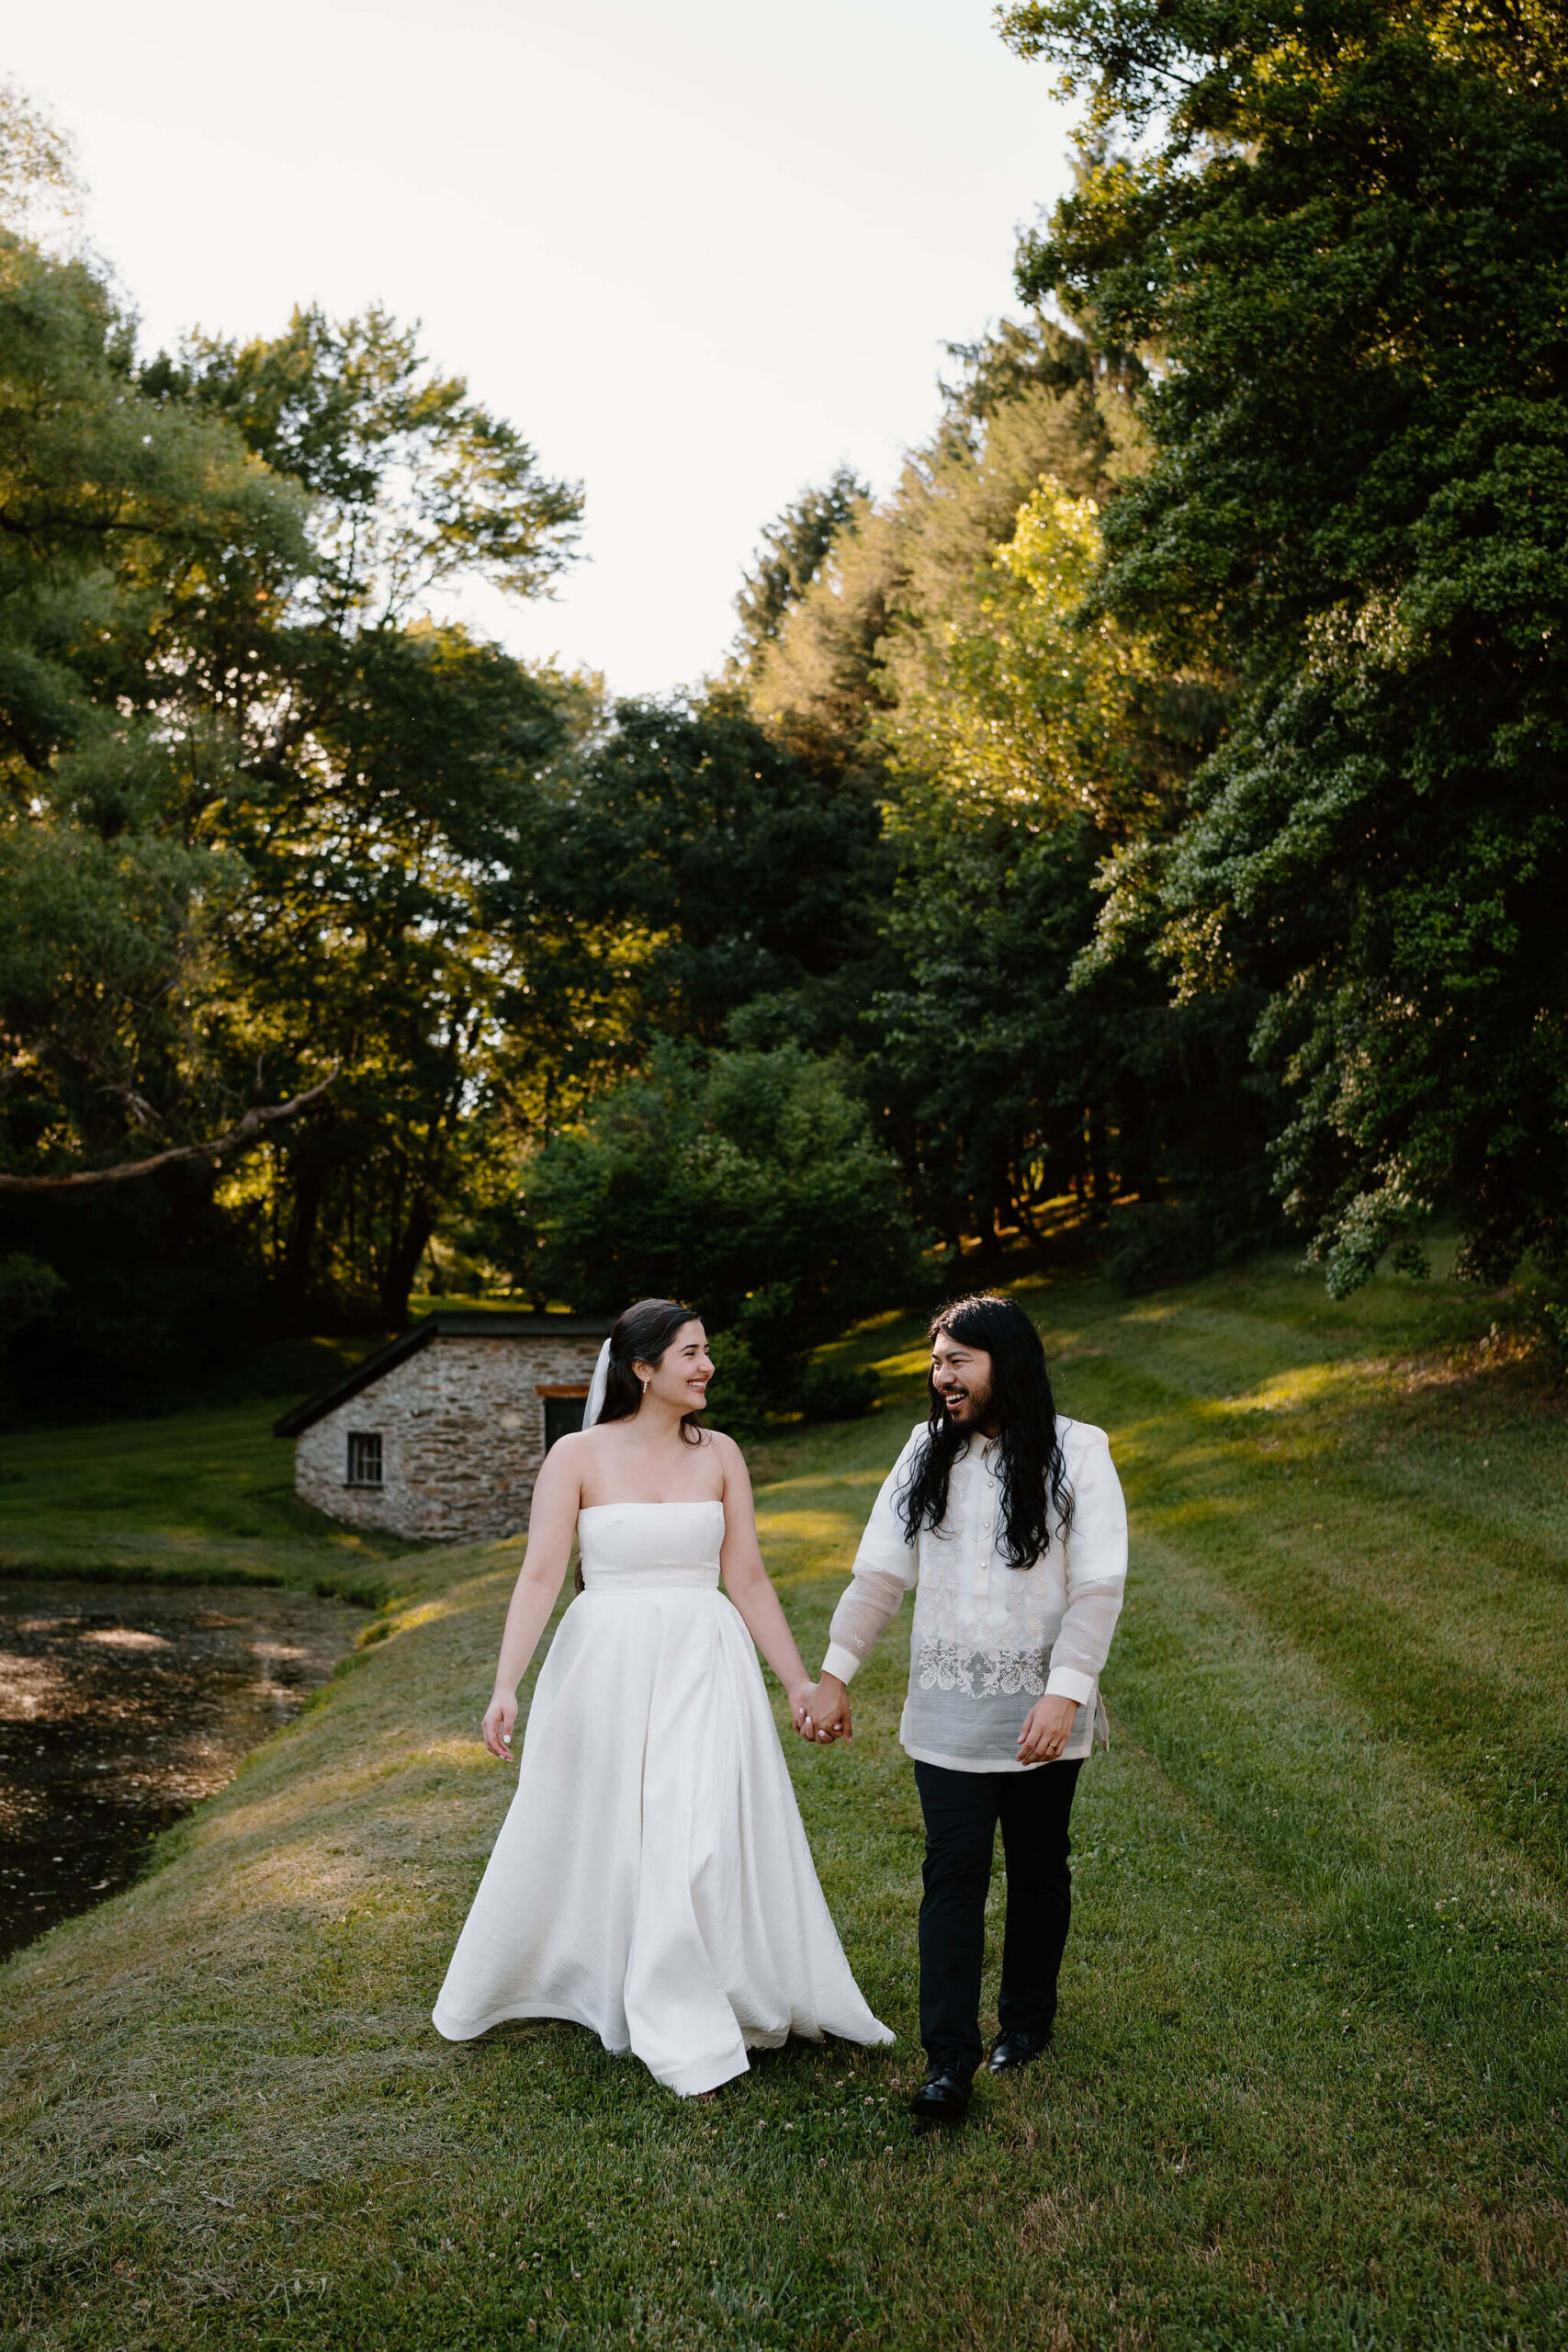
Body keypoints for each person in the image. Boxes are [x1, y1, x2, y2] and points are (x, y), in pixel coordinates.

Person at [433, 1296, 892, 2098]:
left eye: (705, 1351)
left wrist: (795, 1681)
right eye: (689, 1353)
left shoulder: (721, 1454)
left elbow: (745, 1576)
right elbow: (540, 1574)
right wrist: (506, 1686)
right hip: (604, 1663)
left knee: (701, 1819)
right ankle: (612, 1971)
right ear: (642, 1368)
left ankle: (707, 1979)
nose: (705, 1365)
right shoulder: (575, 1456)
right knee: (613, 1825)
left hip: (702, 1659)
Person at [806, 1293, 1126, 2125]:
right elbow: (878, 1575)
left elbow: (1096, 1589)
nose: (939, 1376)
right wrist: (836, 1673)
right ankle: (947, 2058)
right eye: (936, 1360)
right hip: (946, 1708)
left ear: (1004, 1363)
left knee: (1036, 1870)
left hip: (1041, 1710)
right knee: (951, 1875)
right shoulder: (924, 1451)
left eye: (957, 1361)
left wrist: (1065, 1696)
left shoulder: (1078, 1451)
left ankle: (1024, 2025)